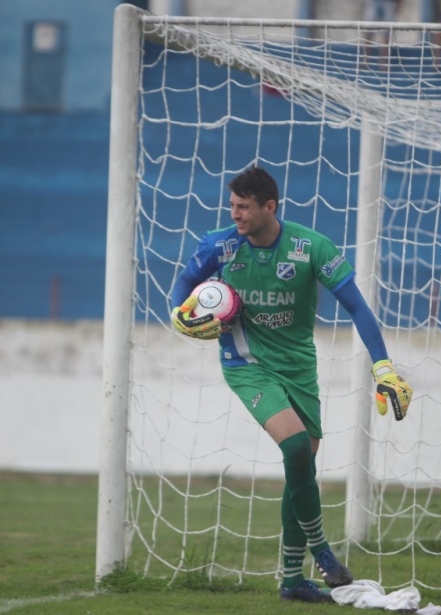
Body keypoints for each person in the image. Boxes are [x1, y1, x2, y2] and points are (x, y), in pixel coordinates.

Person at [170, 166, 413, 603]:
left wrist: (383, 369)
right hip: (246, 363)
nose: (235, 214)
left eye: (244, 207)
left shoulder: (311, 247)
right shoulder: (220, 246)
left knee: (300, 466)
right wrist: (179, 315)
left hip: (299, 365)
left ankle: (292, 582)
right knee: (297, 447)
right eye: (232, 205)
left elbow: (357, 308)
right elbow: (185, 285)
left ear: (269, 207)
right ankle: (322, 551)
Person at [362, 0, 401, 67]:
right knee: (368, 30)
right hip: (374, 2)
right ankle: (365, 60)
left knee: (387, 32)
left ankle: (383, 61)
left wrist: (399, 3)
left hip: (389, 3)